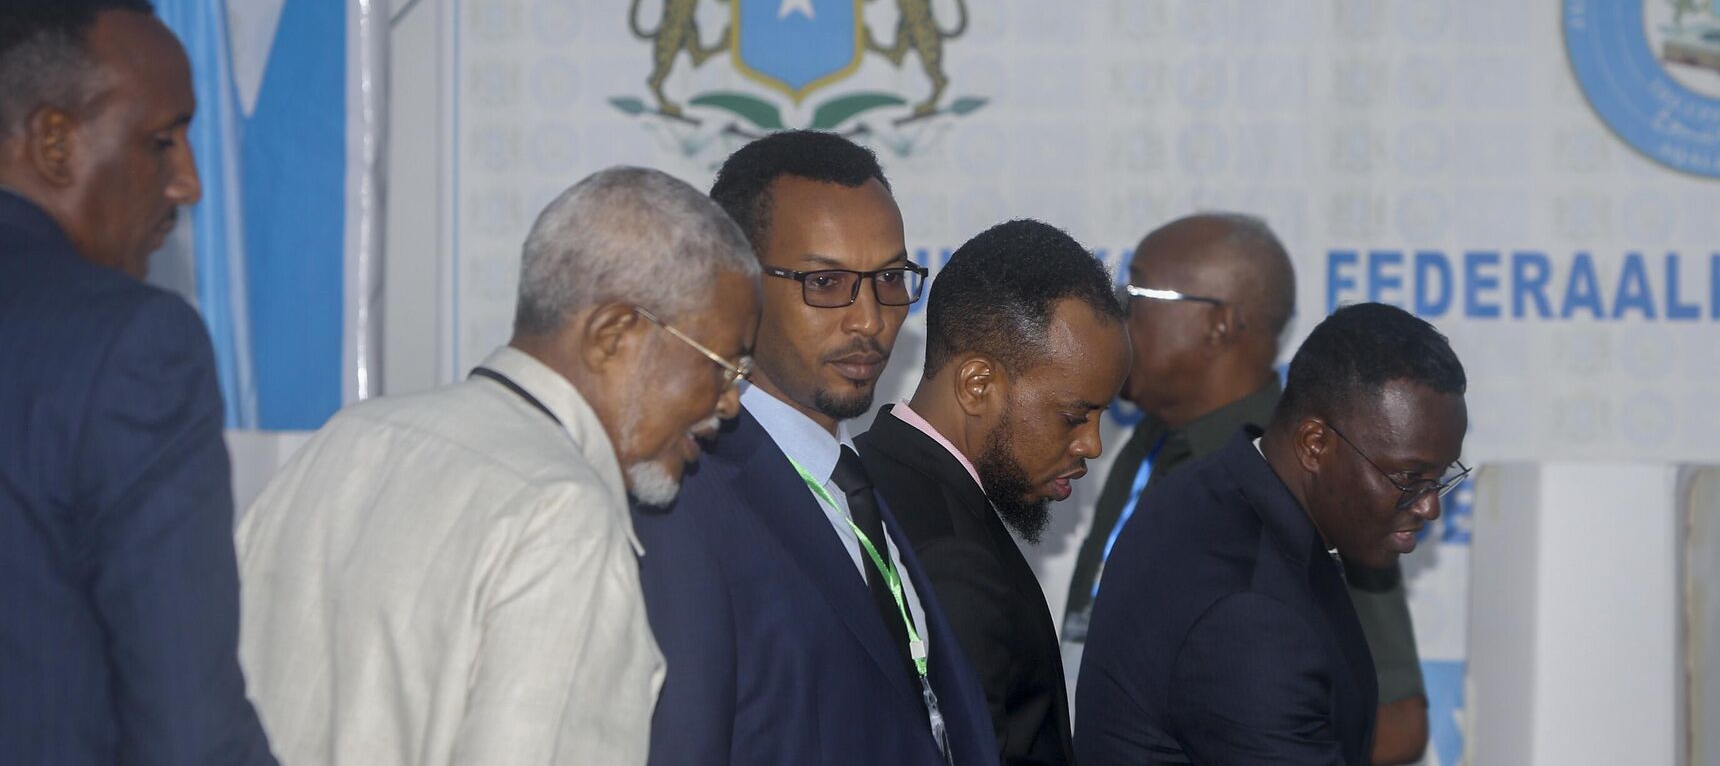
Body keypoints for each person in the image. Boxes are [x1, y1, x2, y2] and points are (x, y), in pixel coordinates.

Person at [235, 167, 758, 765]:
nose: (729, 401)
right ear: (614, 334)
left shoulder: (352, 435)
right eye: (723, 365)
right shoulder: (561, 513)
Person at [632, 130, 998, 766]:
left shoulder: (855, 483)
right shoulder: (684, 493)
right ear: (734, 284)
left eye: (889, 277)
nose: (869, 319)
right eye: (825, 282)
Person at [0, 1, 277, 763]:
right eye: (161, 141)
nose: (186, 183)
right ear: (54, 142)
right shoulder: (131, 345)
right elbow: (189, 732)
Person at [1060, 214, 1432, 763]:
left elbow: (1398, 721)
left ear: (1217, 324)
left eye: (1135, 293)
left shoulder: (1312, 481)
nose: (1116, 313)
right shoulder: (1147, 442)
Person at [857, 219, 1130, 766]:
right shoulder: (951, 557)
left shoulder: (866, 470)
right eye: (1074, 416)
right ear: (977, 384)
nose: (1093, 445)